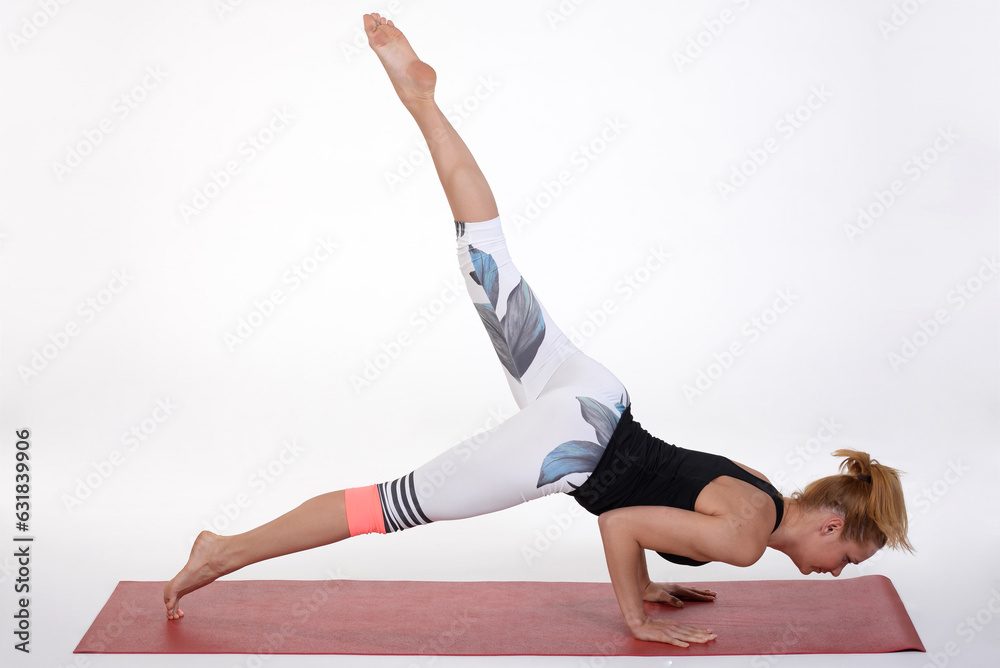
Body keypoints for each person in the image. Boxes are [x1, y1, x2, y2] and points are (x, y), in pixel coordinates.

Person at [163, 14, 913, 647]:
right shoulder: (749, 541)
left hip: (597, 398)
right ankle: (221, 551)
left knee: (489, 259)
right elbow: (621, 520)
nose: (839, 571)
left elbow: (667, 494)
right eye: (849, 557)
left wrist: (655, 585)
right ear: (828, 529)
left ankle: (422, 101)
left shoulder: (760, 493)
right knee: (385, 507)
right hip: (572, 447)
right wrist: (635, 620)